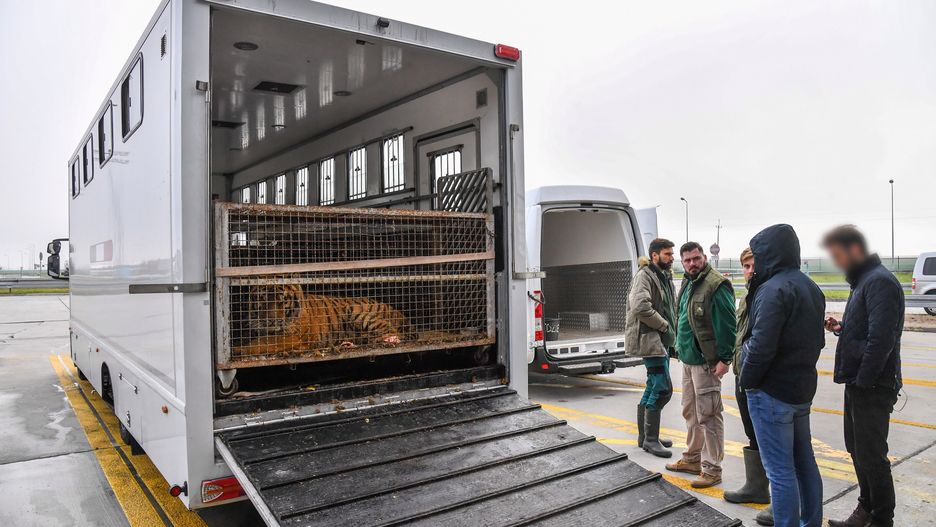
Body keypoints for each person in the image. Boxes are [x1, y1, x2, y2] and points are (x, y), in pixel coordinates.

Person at [739, 224, 825, 527]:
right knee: (805, 464)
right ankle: (810, 522)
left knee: (779, 472)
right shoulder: (810, 287)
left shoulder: (771, 290)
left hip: (771, 393)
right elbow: (818, 341)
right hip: (801, 390)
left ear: (769, 254)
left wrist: (747, 380)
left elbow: (761, 347)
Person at [823, 226, 904, 527]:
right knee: (857, 450)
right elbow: (866, 329)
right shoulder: (863, 281)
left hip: (872, 384)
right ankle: (865, 509)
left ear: (855, 250)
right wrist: (841, 328)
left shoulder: (879, 281)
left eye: (838, 255)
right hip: (859, 381)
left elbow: (881, 340)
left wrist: (865, 381)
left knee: (872, 455)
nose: (837, 262)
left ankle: (881, 518)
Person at [665, 242, 735, 488]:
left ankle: (712, 469)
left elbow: (727, 324)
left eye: (696, 258)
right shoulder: (688, 282)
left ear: (704, 257)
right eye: (687, 260)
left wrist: (725, 359)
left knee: (709, 415)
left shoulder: (716, 284)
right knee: (691, 412)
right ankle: (693, 459)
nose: (692, 263)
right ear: (682, 263)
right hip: (688, 359)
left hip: (706, 362)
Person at [724, 248, 774, 526]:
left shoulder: (768, 295)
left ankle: (781, 501)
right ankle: (756, 487)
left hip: (759, 380)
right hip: (742, 376)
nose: (750, 270)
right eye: (746, 266)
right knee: (753, 435)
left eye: (754, 265)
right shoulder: (748, 296)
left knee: (772, 442)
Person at [625, 238, 677, 458]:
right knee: (662, 388)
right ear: (655, 255)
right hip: (651, 340)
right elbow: (640, 307)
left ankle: (645, 436)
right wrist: (664, 326)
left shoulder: (663, 275)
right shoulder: (645, 275)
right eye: (667, 254)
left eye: (672, 253)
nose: (672, 257)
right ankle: (650, 440)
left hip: (660, 341)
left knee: (653, 386)